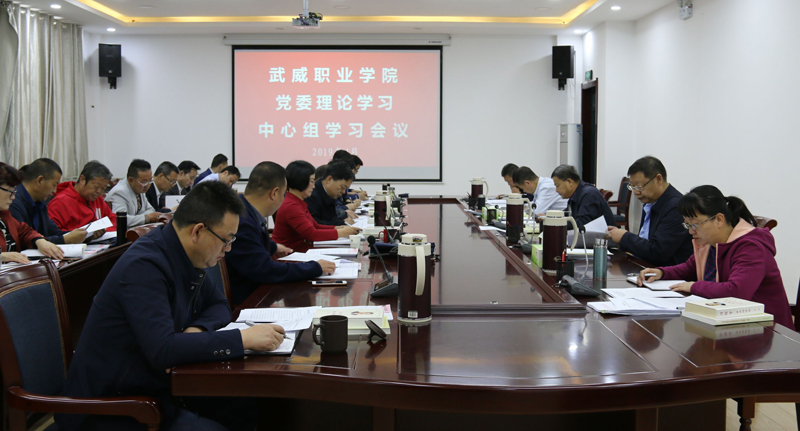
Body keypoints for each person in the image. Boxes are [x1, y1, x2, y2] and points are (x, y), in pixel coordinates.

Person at [55, 181, 285, 431]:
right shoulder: (144, 266)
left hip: (156, 387)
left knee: (251, 404)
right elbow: (163, 350)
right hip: (112, 407)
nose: (227, 250)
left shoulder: (182, 252)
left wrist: (197, 330)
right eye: (226, 240)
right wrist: (242, 339)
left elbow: (219, 303)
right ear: (198, 231)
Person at [637, 185, 794, 329]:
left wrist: (693, 286)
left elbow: (737, 291)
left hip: (765, 330)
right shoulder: (710, 242)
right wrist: (662, 272)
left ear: (719, 219)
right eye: (687, 225)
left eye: (695, 225)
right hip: (726, 321)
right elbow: (690, 267)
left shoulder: (751, 247)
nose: (691, 232)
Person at [225, 161, 336, 305]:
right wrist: (314, 268)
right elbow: (265, 270)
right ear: (274, 193)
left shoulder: (246, 210)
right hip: (249, 300)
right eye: (284, 194)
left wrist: (274, 247)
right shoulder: (241, 222)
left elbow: (252, 245)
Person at [606, 156, 693, 266]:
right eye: (632, 187)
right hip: (645, 266)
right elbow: (645, 241)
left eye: (639, 186)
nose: (636, 192)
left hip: (666, 272)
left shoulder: (676, 207)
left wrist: (624, 237)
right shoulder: (650, 202)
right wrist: (619, 235)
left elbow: (658, 252)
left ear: (658, 179)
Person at [272, 161, 361, 251]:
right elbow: (312, 234)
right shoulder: (291, 206)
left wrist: (337, 228)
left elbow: (315, 225)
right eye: (311, 181)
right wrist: (341, 232)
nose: (314, 186)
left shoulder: (297, 201)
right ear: (301, 181)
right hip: (288, 254)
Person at [9, 158, 87, 244]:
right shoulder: (12, 202)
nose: (55, 191)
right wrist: (64, 240)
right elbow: (23, 241)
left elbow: (54, 232)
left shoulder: (40, 203)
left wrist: (84, 235)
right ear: (39, 180)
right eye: (54, 185)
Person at [0, 162, 65, 262]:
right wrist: (1, 256)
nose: (13, 197)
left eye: (14, 192)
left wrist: (38, 240)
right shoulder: (14, 206)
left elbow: (24, 231)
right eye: (9, 191)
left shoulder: (4, 214)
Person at [48, 160, 116, 237]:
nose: (99, 191)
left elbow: (114, 220)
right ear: (82, 180)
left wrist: (104, 230)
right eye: (96, 187)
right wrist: (84, 234)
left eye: (103, 188)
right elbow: (53, 233)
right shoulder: (60, 202)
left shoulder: (97, 199)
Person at [551, 164, 616, 228]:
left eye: (557, 186)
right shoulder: (576, 195)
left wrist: (556, 224)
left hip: (604, 234)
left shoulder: (589, 194)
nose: (556, 190)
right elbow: (566, 215)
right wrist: (550, 218)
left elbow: (582, 223)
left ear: (569, 182)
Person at [106, 159, 161, 227]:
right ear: (131, 180)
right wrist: (145, 218)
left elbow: (151, 210)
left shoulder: (139, 188)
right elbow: (121, 219)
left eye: (150, 180)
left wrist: (137, 218)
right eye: (144, 182)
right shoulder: (119, 192)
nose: (148, 185)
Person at [305, 161, 355, 226]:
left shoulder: (329, 193)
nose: (343, 192)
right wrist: (342, 223)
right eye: (342, 187)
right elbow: (314, 224)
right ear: (329, 179)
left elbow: (332, 218)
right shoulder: (311, 195)